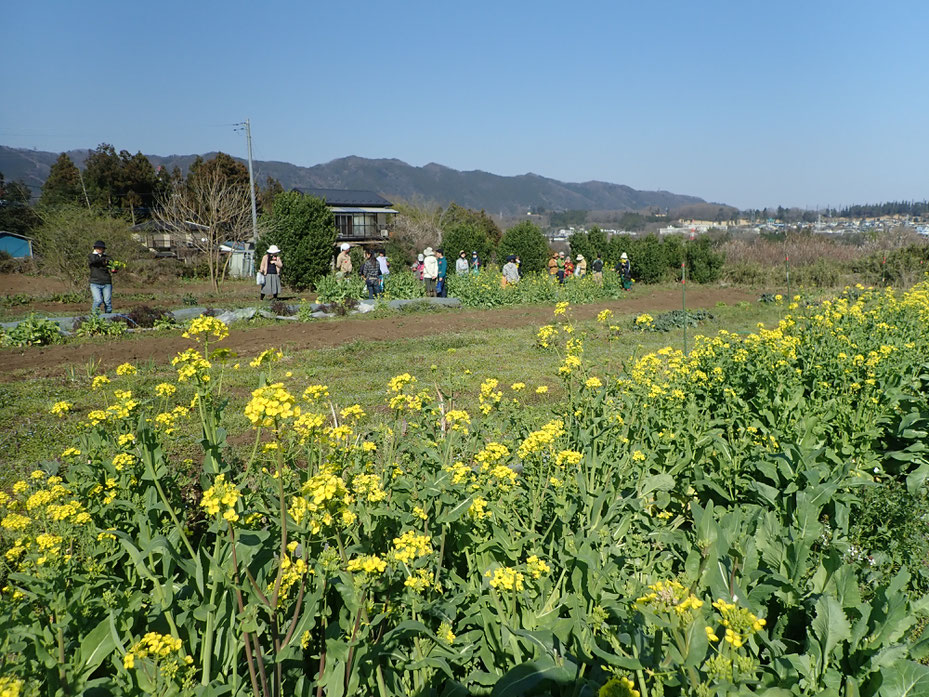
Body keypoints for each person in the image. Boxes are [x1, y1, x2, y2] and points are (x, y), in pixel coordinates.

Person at [89, 239, 113, 314]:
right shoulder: (91, 256)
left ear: (103, 249)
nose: (99, 249)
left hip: (106, 282)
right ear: (95, 248)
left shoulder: (108, 257)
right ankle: (94, 317)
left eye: (101, 248)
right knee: (98, 300)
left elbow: (111, 263)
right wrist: (103, 260)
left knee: (107, 302)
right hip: (95, 282)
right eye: (97, 248)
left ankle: (108, 318)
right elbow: (94, 261)